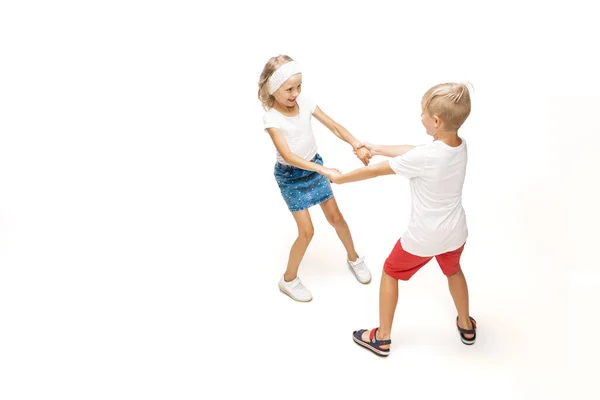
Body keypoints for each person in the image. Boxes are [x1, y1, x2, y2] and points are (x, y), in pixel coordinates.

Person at [323, 82, 477, 355]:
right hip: (455, 234)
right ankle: (466, 324)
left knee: (390, 271)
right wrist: (377, 146)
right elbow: (414, 150)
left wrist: (340, 178)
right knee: (453, 271)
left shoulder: (425, 157)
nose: (421, 118)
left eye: (423, 114)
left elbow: (377, 172)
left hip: (423, 238)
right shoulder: (459, 145)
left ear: (437, 121)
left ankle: (381, 337)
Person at [258, 55, 372, 302]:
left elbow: (334, 126)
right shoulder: (272, 118)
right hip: (291, 176)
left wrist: (355, 143)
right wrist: (325, 171)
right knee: (307, 231)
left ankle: (354, 257)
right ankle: (288, 280)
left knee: (336, 217)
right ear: (272, 89)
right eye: (289, 88)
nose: (295, 92)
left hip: (315, 167)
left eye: (299, 86)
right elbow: (287, 155)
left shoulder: (305, 101)